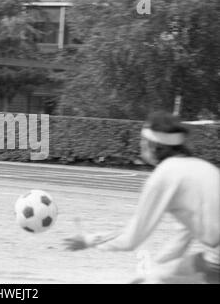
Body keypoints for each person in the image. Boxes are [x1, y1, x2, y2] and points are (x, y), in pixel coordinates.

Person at [63, 111, 220, 284]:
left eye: (143, 140)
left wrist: (89, 240)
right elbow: (182, 237)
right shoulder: (201, 167)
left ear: (153, 145)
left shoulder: (164, 175)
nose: (140, 145)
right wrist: (155, 269)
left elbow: (131, 239)